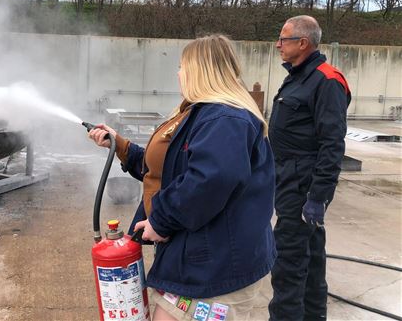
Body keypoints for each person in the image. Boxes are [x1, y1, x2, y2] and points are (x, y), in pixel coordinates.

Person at [88, 35, 276, 321]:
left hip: (213, 269)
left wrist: (161, 221)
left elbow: (210, 180)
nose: (178, 73)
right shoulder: (199, 113)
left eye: (182, 65)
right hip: (196, 258)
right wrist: (121, 146)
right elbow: (170, 170)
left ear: (200, 70)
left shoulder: (224, 119)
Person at [268, 16, 351, 321]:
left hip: (302, 187)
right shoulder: (299, 76)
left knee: (288, 265)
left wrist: (318, 196)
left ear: (302, 43)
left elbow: (332, 144)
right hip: (289, 179)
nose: (278, 45)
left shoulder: (327, 80)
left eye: (283, 39)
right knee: (312, 262)